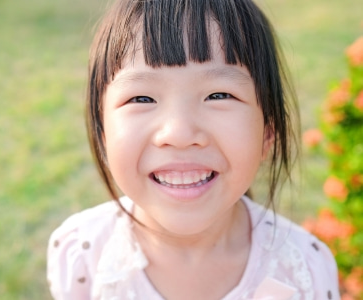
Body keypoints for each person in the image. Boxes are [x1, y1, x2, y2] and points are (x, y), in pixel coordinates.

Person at [47, 0, 339, 299]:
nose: (179, 133)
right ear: (103, 132)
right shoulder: (82, 253)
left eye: (218, 95)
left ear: (268, 131)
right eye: (142, 99)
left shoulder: (305, 270)